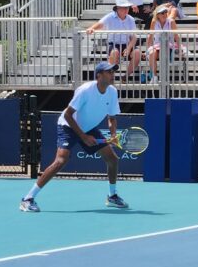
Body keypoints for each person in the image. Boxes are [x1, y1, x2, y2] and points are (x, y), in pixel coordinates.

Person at [19, 61, 126, 213]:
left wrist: (113, 135)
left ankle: (112, 196)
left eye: (113, 72)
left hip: (88, 127)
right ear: (99, 75)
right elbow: (69, 115)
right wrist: (83, 137)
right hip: (68, 125)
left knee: (112, 159)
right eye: (109, 72)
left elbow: (112, 118)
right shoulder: (85, 90)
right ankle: (27, 199)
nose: (112, 75)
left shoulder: (113, 92)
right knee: (61, 161)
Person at [86, 0, 141, 76]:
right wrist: (91, 28)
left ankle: (126, 76)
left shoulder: (131, 19)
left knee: (137, 53)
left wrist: (128, 48)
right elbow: (100, 24)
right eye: (123, 7)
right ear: (117, 8)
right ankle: (110, 77)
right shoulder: (110, 16)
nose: (126, 9)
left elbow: (134, 37)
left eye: (127, 7)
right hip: (114, 44)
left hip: (127, 44)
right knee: (114, 52)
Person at [145, 4, 187, 82]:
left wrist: (180, 48)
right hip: (157, 45)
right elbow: (150, 36)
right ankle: (154, 77)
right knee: (151, 53)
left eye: (165, 12)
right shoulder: (154, 22)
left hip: (169, 45)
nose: (164, 14)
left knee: (162, 53)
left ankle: (164, 79)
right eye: (162, 13)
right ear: (157, 15)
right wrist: (147, 49)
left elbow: (176, 36)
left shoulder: (171, 22)